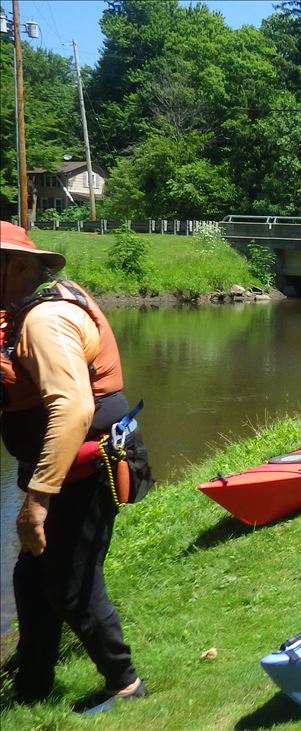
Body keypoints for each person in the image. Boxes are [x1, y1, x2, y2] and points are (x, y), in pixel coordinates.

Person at [0, 221, 147, 713]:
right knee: (32, 573)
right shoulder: (27, 306)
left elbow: (73, 408)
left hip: (80, 468)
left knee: (70, 579)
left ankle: (123, 683)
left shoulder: (45, 320)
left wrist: (37, 499)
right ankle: (33, 679)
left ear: (18, 266)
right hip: (57, 465)